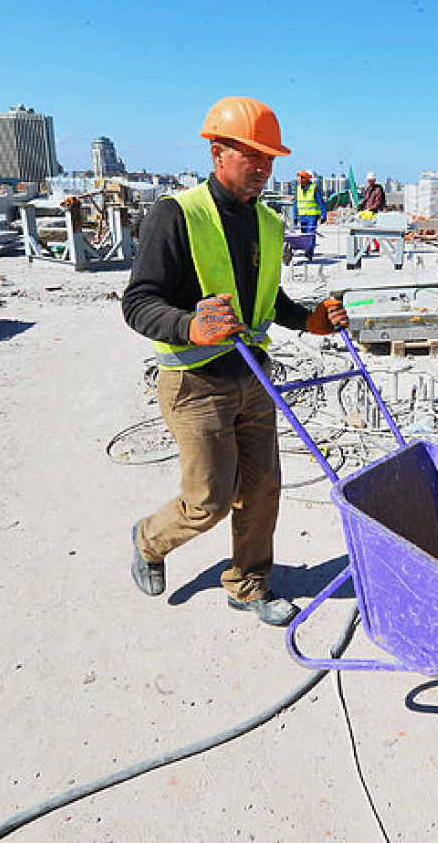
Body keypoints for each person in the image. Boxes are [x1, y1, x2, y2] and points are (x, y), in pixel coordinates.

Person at [121, 96, 349, 626]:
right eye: (253, 156)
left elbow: (268, 302)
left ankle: (247, 584)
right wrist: (188, 325)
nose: (265, 169)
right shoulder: (177, 214)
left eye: (270, 159)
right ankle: (149, 540)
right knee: (207, 501)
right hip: (194, 382)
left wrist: (309, 319)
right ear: (218, 152)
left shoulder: (268, 224)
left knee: (263, 488)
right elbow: (138, 302)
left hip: (252, 376)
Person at [293, 169, 326, 233]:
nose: (299, 179)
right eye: (299, 177)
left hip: (312, 216)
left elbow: (321, 203)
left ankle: (311, 243)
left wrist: (323, 215)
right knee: (303, 236)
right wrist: (295, 217)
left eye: (302, 177)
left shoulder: (313, 188)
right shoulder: (298, 189)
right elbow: (295, 203)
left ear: (306, 179)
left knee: (310, 234)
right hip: (302, 216)